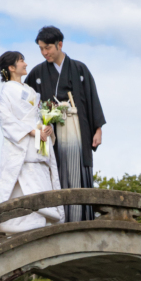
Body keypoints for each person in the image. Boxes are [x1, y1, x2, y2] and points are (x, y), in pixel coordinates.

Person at [25, 26, 106, 223]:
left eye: (48, 48)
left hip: (76, 128)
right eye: (41, 49)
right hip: (51, 132)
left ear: (59, 45)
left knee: (77, 172)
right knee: (54, 172)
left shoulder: (79, 69)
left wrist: (98, 129)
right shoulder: (37, 73)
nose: (44, 53)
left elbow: (92, 99)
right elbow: (26, 103)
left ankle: (80, 221)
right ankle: (57, 222)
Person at [0, 50, 64, 234]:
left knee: (42, 180)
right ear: (11, 67)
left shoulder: (30, 90)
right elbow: (5, 118)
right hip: (22, 147)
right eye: (21, 61)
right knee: (22, 187)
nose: (25, 64)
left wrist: (47, 128)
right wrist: (32, 132)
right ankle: (19, 229)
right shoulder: (7, 90)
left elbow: (37, 117)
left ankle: (44, 226)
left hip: (39, 145)